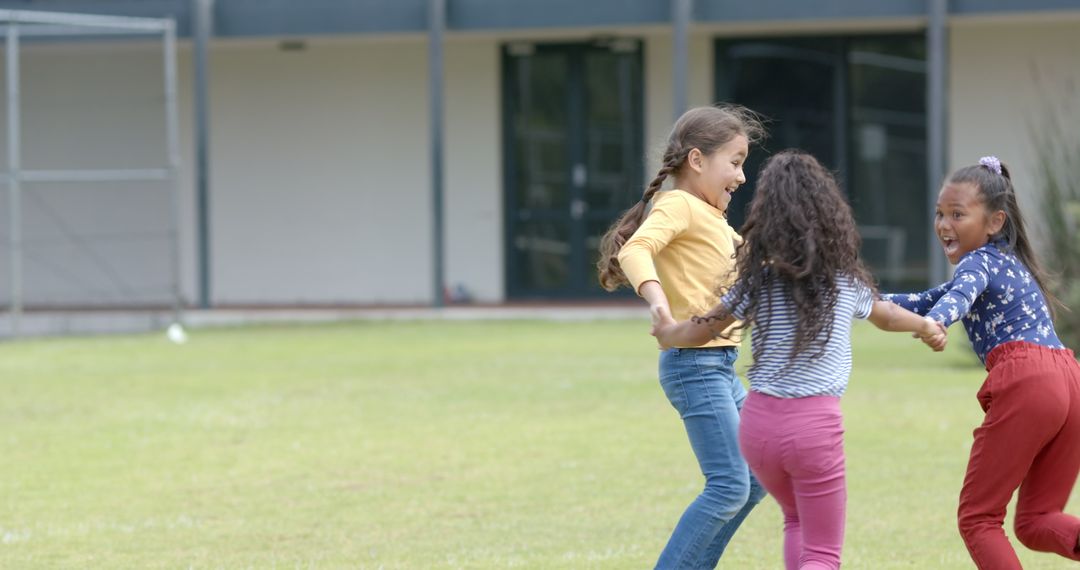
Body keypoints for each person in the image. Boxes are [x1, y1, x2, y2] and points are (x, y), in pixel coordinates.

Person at [653, 150, 946, 569]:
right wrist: (925, 326)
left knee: (796, 520)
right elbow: (886, 314)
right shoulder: (842, 280)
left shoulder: (758, 279)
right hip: (812, 428)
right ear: (830, 214)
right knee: (824, 553)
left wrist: (667, 330)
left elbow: (703, 327)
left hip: (758, 427)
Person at [882, 156, 1080, 569]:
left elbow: (953, 301)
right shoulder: (1007, 262)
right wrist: (860, 300)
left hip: (1031, 380)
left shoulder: (978, 262)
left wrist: (937, 322)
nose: (943, 224)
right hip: (1070, 382)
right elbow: (924, 301)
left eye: (957, 214)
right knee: (1037, 522)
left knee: (978, 519)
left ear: (994, 222)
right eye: (940, 213)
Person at [596, 104, 766, 568]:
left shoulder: (716, 221)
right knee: (730, 483)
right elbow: (637, 250)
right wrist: (658, 305)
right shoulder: (678, 204)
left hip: (722, 364)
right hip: (695, 366)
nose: (742, 176)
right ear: (696, 160)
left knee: (756, 479)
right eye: (734, 162)